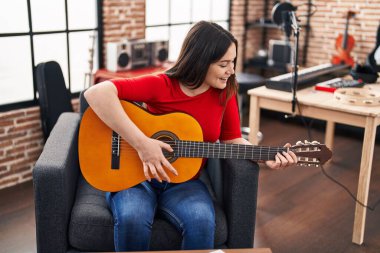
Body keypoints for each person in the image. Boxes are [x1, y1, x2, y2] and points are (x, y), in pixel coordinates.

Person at [84, 20, 297, 251]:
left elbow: (232, 139)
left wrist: (266, 156)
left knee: (202, 221)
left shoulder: (225, 93)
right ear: (200, 60)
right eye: (224, 64)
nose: (232, 70)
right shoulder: (162, 84)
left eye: (233, 62)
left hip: (184, 182)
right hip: (135, 179)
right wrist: (142, 144)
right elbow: (97, 92)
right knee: (132, 218)